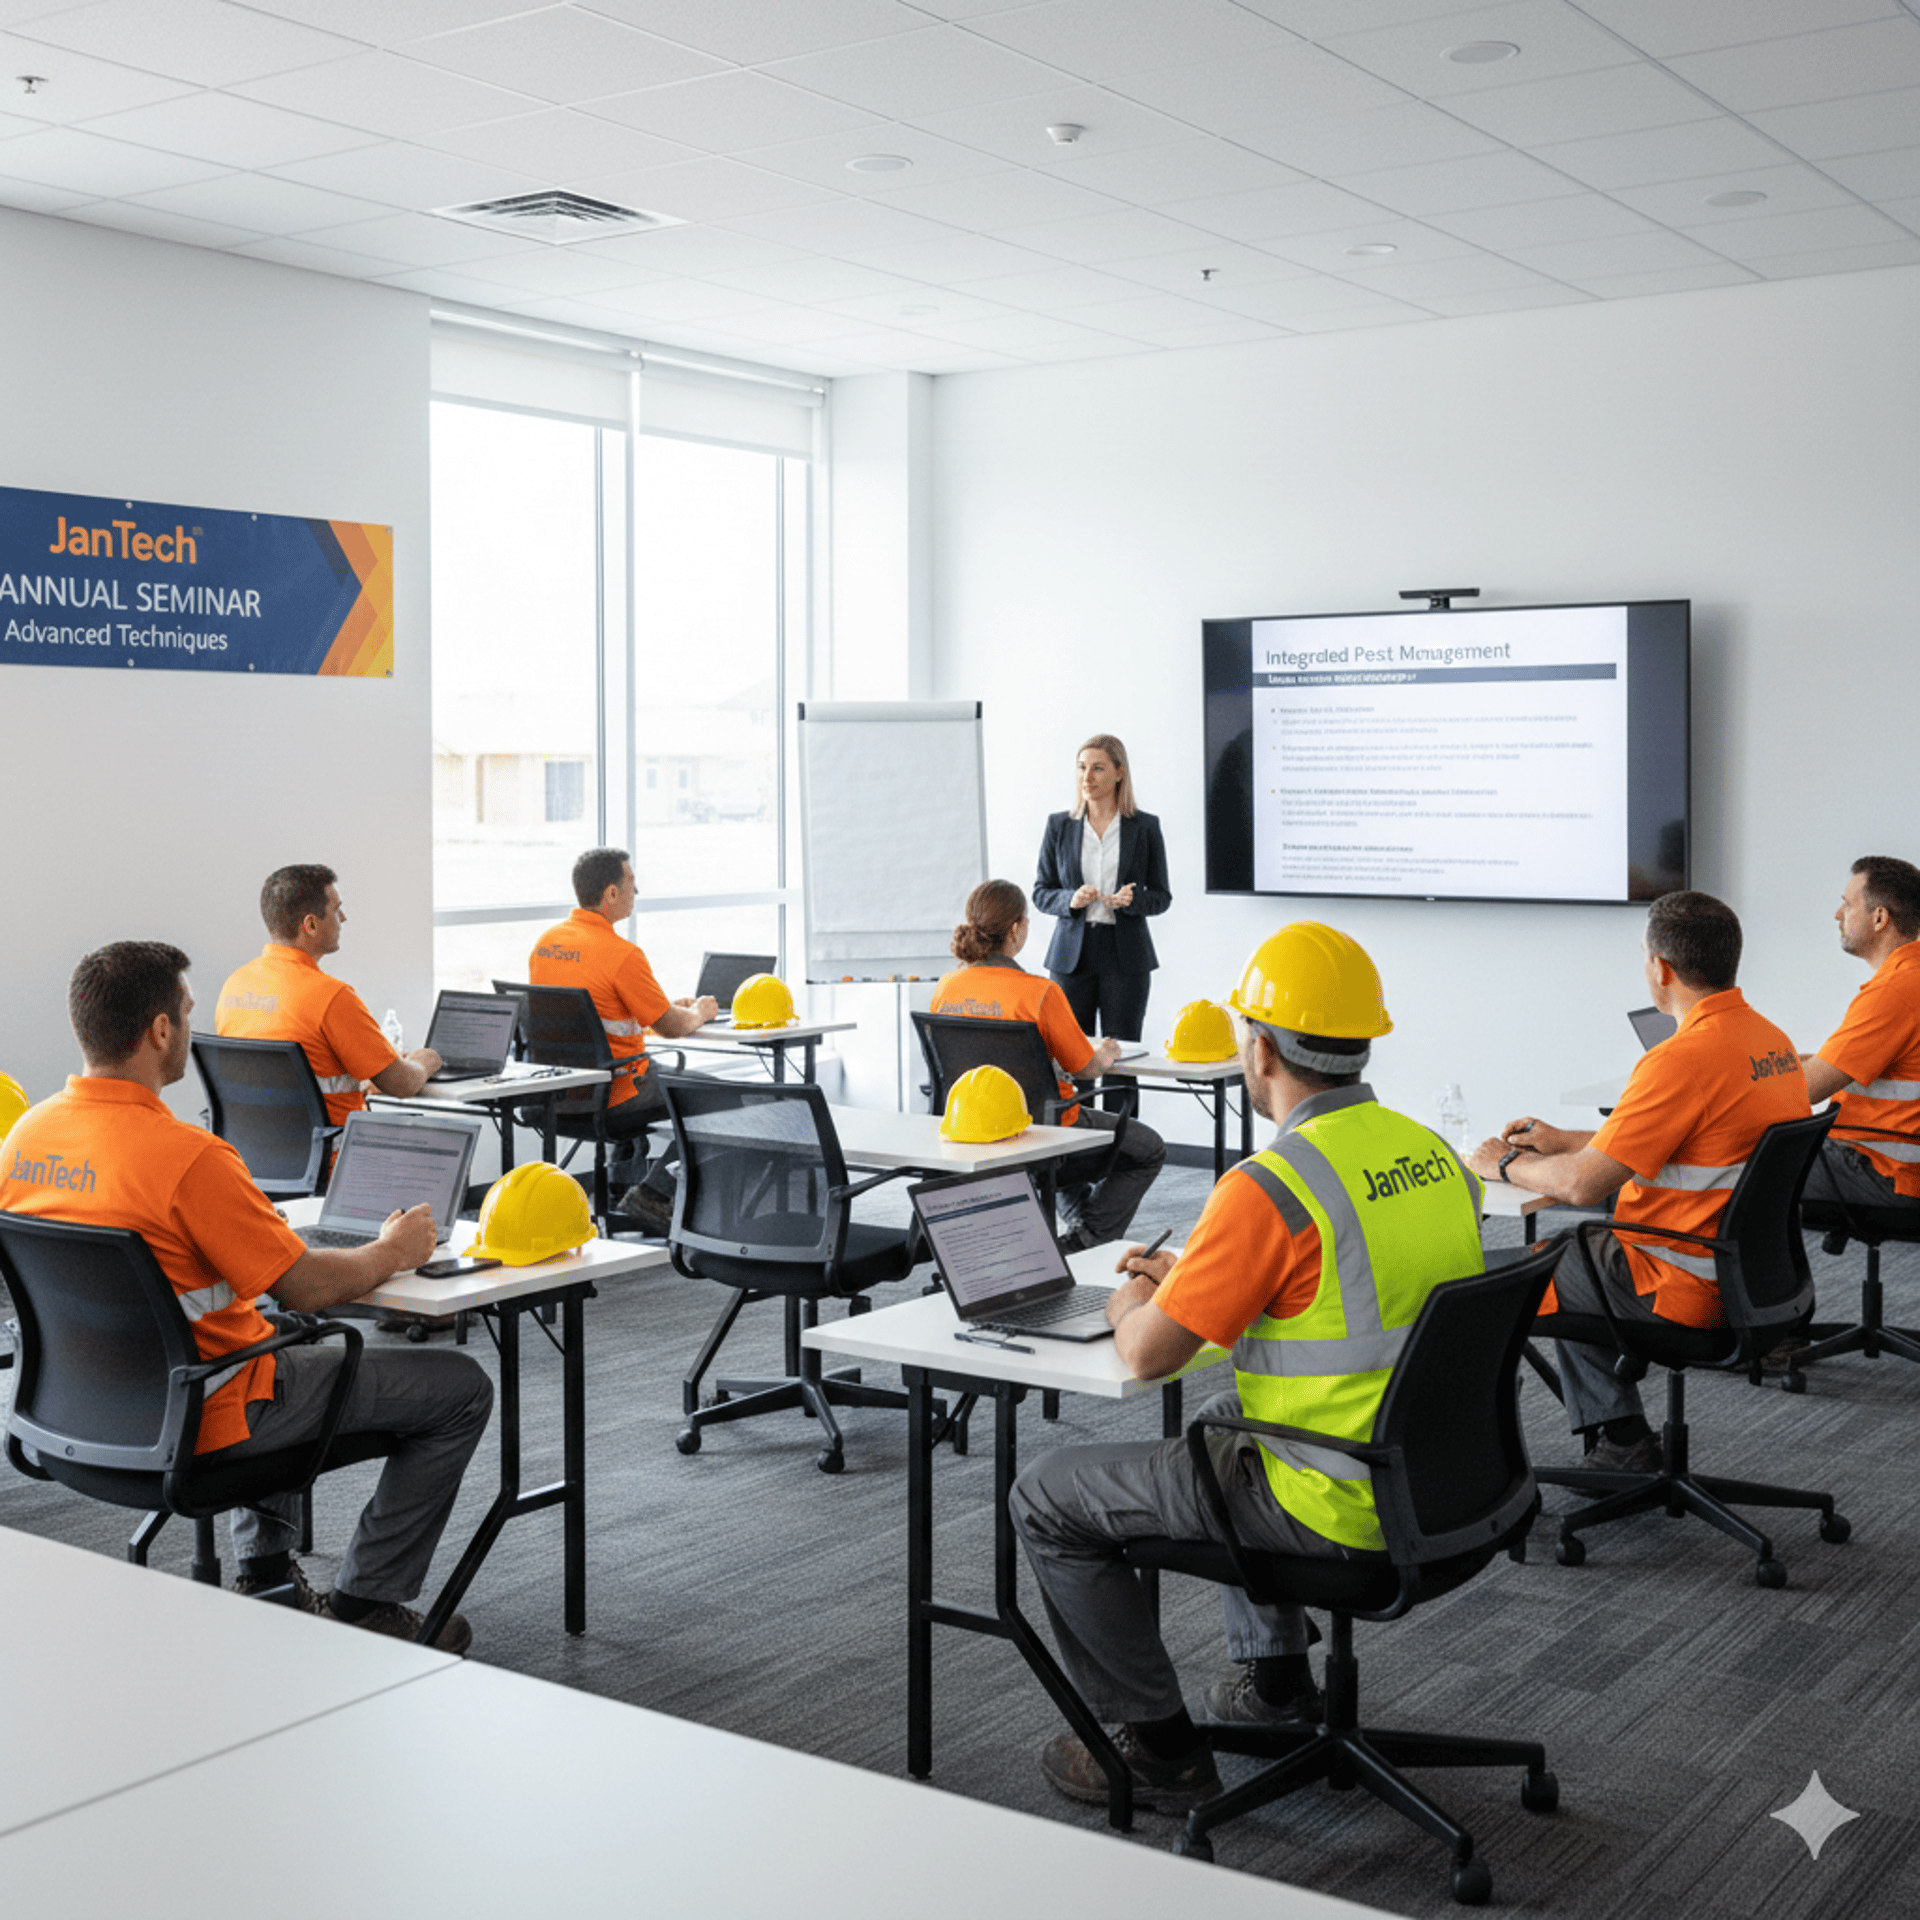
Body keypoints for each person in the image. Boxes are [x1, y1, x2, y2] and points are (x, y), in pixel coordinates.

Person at [1009, 923, 1484, 1814]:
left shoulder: (1271, 1185)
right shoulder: (1436, 1157)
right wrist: (1201, 1279)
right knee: (1227, 1432)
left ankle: (1159, 1751)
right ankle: (1275, 1687)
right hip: (1445, 1484)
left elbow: (1149, 1350)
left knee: (1048, 1494)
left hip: (1333, 1500)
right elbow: (1347, 1289)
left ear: (1259, 1050)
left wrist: (1130, 1302)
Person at [0, 943, 494, 1653]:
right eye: (189, 1012)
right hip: (204, 1418)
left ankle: (267, 1575)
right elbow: (311, 1285)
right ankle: (368, 1606)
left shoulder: (25, 1138)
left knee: (270, 1326)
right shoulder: (188, 1157)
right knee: (459, 1387)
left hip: (74, 1415)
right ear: (161, 1030)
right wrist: (393, 1252)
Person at [1465, 891, 1809, 1471]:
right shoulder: (1770, 1042)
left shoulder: (1680, 1059)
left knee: (1531, 1269)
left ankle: (1577, 1448)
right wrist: (1569, 1139)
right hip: (1758, 1282)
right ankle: (1621, 1437)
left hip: (1683, 1284)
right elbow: (1693, 1140)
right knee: (1580, 1255)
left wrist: (1503, 1163)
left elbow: (1578, 1188)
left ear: (1661, 969)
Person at [932, 881, 1165, 1254]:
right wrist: (1105, 1053)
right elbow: (1085, 1068)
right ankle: (1085, 1241)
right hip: (1043, 1127)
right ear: (1016, 929)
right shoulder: (1039, 992)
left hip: (974, 1128)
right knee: (1149, 1149)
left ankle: (1073, 1230)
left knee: (1056, 1159)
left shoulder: (947, 987)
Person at [527, 847, 719, 1235]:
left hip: (556, 1091)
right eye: (632, 882)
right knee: (717, 1100)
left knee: (659, 1076)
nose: (637, 890)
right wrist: (698, 1012)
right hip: (615, 1091)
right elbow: (670, 1027)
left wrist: (653, 1012)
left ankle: (619, 1190)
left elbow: (592, 1021)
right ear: (611, 893)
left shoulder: (546, 943)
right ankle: (654, 1193)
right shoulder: (622, 954)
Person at [216, 863, 442, 1126]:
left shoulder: (234, 986)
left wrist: (369, 1074)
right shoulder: (332, 997)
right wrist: (424, 1060)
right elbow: (402, 1084)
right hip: (337, 1156)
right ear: (311, 925)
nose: (343, 918)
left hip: (257, 1157)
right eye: (336, 909)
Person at [1033, 736, 1171, 1089]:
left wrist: (1133, 900)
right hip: (1070, 958)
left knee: (1120, 1060)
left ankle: (1124, 1144)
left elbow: (1162, 896)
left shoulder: (1145, 827)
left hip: (1125, 957)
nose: (1087, 777)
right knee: (1068, 1059)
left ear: (1119, 773)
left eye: (1097, 768)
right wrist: (1070, 900)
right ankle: (1076, 1141)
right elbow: (1041, 892)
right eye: (1081, 767)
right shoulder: (1059, 826)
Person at [1799, 855, 1920, 1219]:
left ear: (1880, 918)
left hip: (1884, 1171)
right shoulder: (1909, 979)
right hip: (1894, 1162)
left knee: (1732, 1162)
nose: (1838, 914)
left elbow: (1805, 1090)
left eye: (1847, 904)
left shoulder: (1895, 992)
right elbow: (1833, 1068)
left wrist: (1721, 1083)